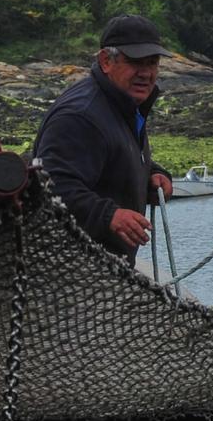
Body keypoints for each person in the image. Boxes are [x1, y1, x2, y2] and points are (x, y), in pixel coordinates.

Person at [32, 14, 175, 260]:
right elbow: (49, 186)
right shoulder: (80, 116)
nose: (146, 73)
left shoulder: (124, 104)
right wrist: (109, 215)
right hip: (66, 270)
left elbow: (112, 154)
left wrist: (150, 174)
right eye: (135, 62)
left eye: (152, 63)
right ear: (106, 61)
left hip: (101, 266)